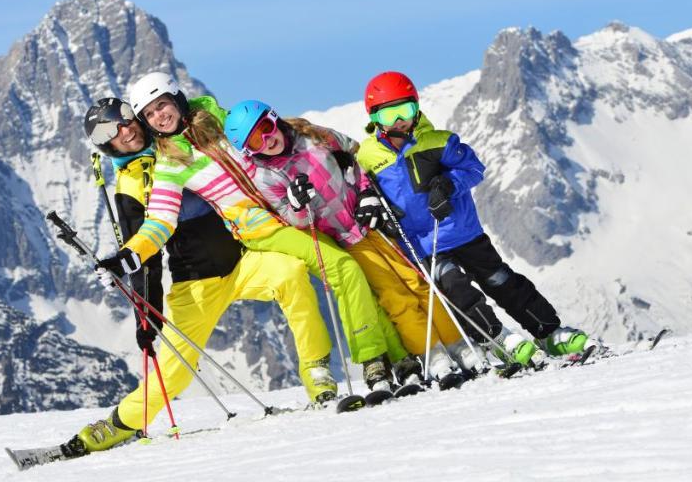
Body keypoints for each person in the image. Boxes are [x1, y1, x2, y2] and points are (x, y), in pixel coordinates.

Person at [97, 73, 408, 398]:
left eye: (162, 104)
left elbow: (264, 132)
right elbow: (159, 222)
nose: (160, 115)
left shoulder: (218, 122)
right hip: (262, 228)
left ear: (176, 97)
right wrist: (127, 258)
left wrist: (333, 152)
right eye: (149, 114)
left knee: (354, 272)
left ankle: (398, 358)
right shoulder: (169, 166)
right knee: (342, 268)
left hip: (296, 212)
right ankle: (373, 362)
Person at [70, 97, 338, 454]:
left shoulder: (183, 137)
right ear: (104, 144)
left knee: (290, 274)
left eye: (124, 118)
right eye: (109, 130)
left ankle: (317, 374)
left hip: (241, 261)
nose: (123, 130)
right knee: (175, 372)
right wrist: (146, 317)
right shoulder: (130, 185)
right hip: (195, 283)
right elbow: (145, 255)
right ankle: (117, 425)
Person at [222, 99, 474, 389]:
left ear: (274, 119)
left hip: (371, 220)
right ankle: (432, 354)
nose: (267, 141)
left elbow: (357, 154)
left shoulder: (312, 137)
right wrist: (296, 203)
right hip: (347, 238)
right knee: (394, 295)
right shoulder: (266, 177)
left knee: (417, 281)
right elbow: (296, 221)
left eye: (266, 129)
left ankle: (459, 345)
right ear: (249, 152)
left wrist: (367, 193)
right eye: (255, 142)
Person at [354, 71, 601, 366]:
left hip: (463, 231)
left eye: (405, 111)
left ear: (416, 108)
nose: (398, 121)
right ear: (374, 118)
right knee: (456, 288)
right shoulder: (367, 156)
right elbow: (361, 187)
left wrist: (448, 185)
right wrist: (370, 202)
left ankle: (549, 332)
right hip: (423, 245)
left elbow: (474, 169)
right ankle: (496, 339)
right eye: (389, 114)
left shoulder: (438, 142)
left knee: (501, 280)